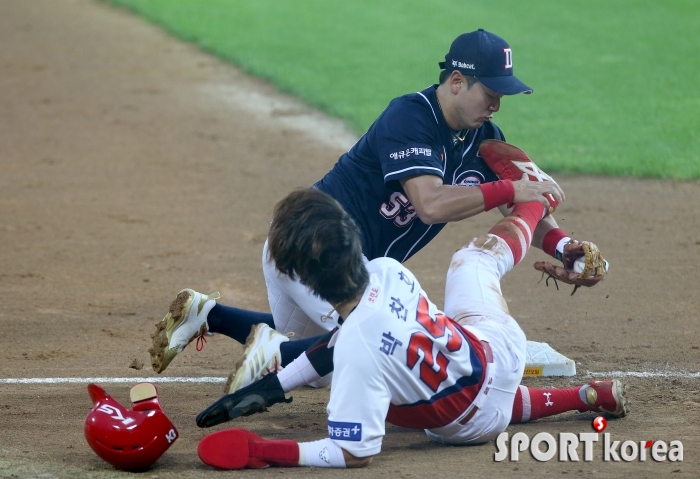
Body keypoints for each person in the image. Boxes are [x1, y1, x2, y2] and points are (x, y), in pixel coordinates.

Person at [148, 29, 593, 391]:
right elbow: (431, 203)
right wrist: (512, 185)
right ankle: (270, 358)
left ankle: (209, 315)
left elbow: (521, 201)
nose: (497, 104)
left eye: (503, 95)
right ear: (457, 81)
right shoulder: (410, 116)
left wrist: (565, 246)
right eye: (490, 92)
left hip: (347, 270)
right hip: (308, 249)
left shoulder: (483, 138)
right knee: (374, 343)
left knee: (318, 368)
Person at [193, 188, 627, 470]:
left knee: (435, 395)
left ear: (308, 284)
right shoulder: (387, 270)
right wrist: (272, 387)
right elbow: (350, 336)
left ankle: (584, 397)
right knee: (475, 261)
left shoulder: (357, 353)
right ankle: (535, 200)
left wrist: (264, 448)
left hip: (472, 426)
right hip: (499, 347)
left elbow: (352, 451)